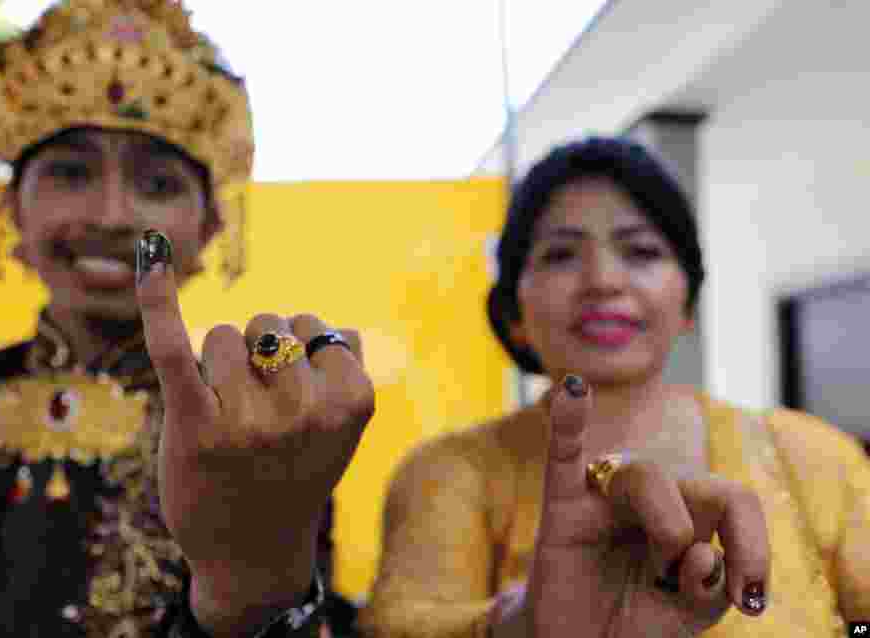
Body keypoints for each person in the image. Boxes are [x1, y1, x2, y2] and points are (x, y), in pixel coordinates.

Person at [0, 1, 372, 636]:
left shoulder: (255, 425)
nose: (113, 215)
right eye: (71, 173)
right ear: (12, 205)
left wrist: (246, 592)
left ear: (209, 227)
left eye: (157, 184)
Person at [357, 136, 870, 637]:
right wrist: (523, 624)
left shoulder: (812, 456)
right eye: (561, 255)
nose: (603, 280)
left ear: (688, 302)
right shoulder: (449, 474)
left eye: (641, 252)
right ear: (514, 313)